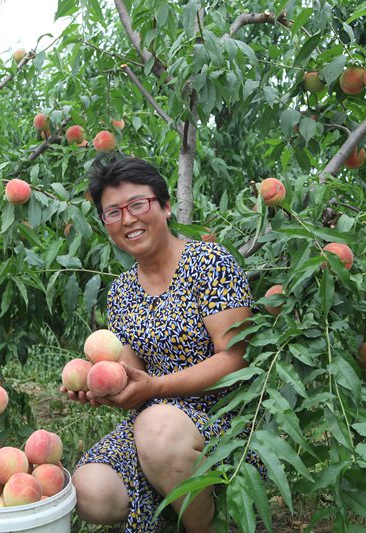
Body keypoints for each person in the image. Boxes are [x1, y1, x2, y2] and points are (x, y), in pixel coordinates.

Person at [62, 156, 265, 533]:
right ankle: (176, 499)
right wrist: (103, 386)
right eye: (113, 212)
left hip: (225, 421)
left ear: (166, 206)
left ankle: (202, 526)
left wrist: (158, 388)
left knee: (159, 427)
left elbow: (237, 358)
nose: (128, 219)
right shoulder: (122, 291)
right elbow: (132, 374)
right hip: (153, 424)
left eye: (138, 204)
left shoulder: (209, 262)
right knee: (87, 491)